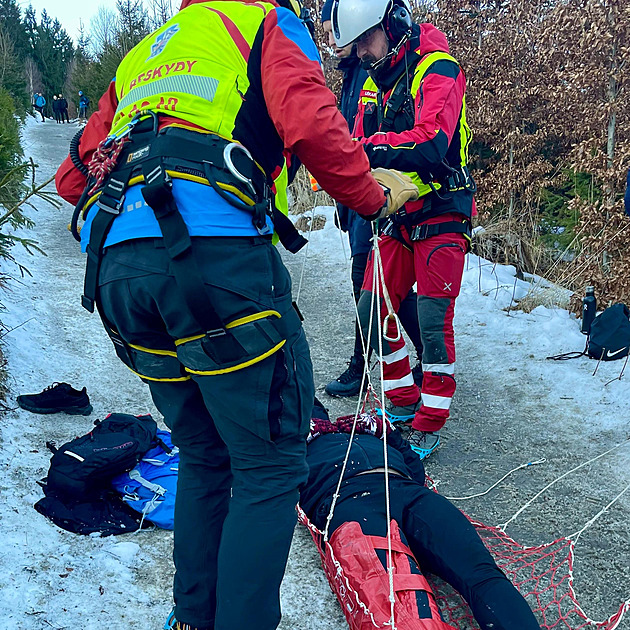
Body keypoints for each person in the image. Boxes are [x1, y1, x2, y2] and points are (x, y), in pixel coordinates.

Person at [55, 0, 417, 628]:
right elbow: (311, 121)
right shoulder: (262, 22)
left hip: (118, 272)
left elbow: (71, 178)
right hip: (211, 260)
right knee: (270, 462)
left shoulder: (148, 51)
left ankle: (192, 619)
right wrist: (373, 194)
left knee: (202, 451)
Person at [332, 0, 476, 458]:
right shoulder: (376, 81)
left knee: (432, 322)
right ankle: (401, 405)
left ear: (391, 25)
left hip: (441, 211)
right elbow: (358, 140)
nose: (360, 56)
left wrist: (365, 150)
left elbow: (432, 142)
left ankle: (430, 421)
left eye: (363, 43)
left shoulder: (438, 68)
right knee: (372, 308)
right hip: (399, 214)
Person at [300, 403, 541, 630]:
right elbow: (277, 492)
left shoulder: (363, 431)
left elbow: (416, 472)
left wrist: (388, 433)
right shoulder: (289, 450)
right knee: (396, 606)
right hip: (349, 502)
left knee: (481, 574)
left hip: (409, 492)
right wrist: (289, 444)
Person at [320, 0, 423, 398]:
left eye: (334, 31)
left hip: (376, 192)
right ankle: (402, 359)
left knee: (371, 282)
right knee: (368, 281)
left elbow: (368, 139)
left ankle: (371, 365)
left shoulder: (374, 71)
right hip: (356, 195)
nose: (333, 40)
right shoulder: (350, 76)